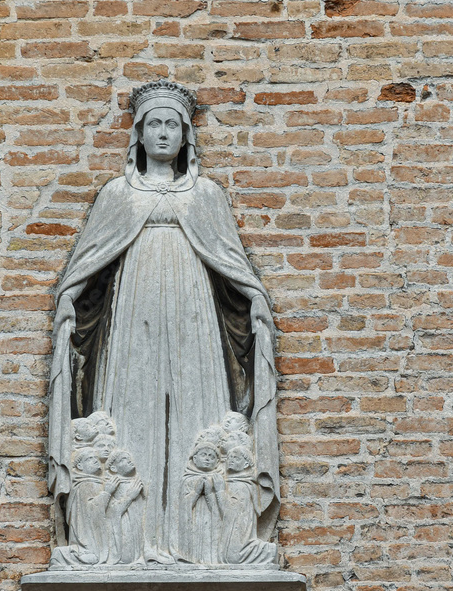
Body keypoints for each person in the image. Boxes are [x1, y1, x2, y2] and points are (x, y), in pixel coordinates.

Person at [47, 80, 280, 566]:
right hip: (134, 312)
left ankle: (201, 541)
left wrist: (255, 298)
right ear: (139, 133)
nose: (162, 133)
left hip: (194, 314)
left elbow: (230, 261)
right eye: (154, 123)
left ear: (185, 136)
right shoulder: (118, 195)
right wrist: (68, 298)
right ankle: (127, 542)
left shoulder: (205, 195)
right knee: (132, 409)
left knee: (199, 410)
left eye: (172, 124)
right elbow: (89, 262)